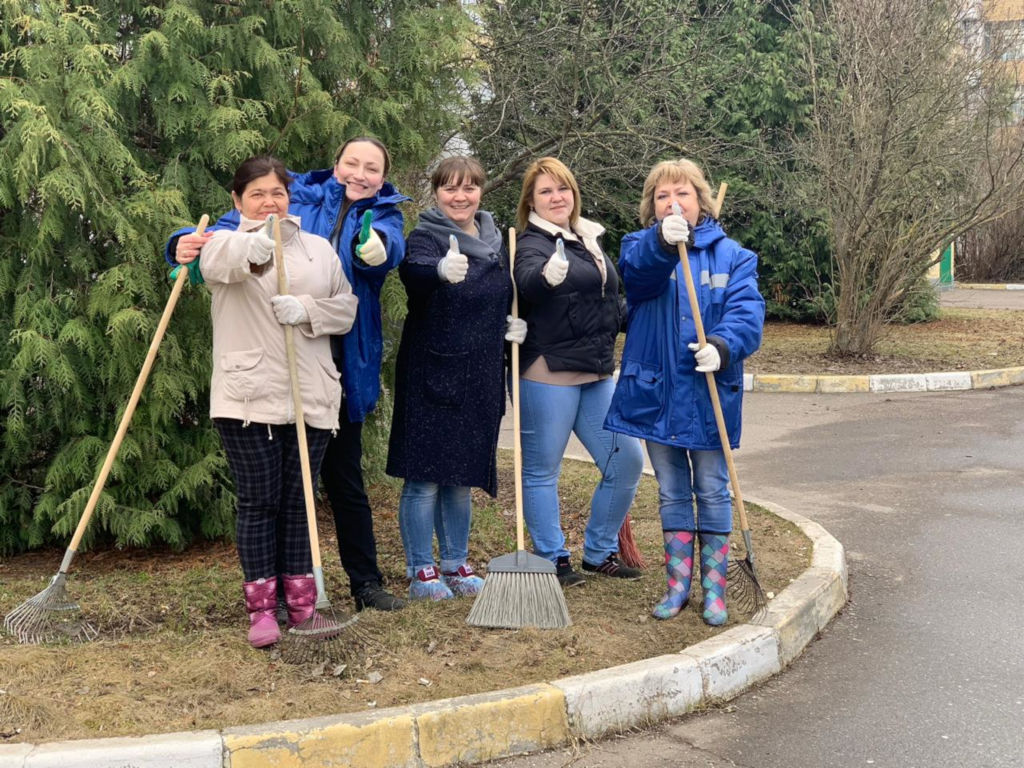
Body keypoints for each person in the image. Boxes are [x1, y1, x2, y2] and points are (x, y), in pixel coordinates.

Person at [168, 137, 409, 612]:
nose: (361, 174)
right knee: (276, 493)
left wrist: (378, 249)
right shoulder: (300, 193)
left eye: (373, 168)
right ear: (335, 164)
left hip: (341, 360)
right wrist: (180, 241)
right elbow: (229, 227)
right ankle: (277, 595)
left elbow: (387, 249)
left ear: (384, 176)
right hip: (271, 362)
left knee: (343, 481)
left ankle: (365, 583)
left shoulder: (384, 211)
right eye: (352, 163)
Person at [180, 155, 358, 648]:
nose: (269, 201)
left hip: (312, 394)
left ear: (291, 197)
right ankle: (262, 610)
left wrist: (308, 310)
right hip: (248, 399)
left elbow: (346, 308)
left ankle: (302, 604)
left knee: (300, 501)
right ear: (237, 201)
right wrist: (258, 243)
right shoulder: (220, 245)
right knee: (260, 501)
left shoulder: (319, 250)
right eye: (257, 194)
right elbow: (221, 264)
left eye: (277, 193)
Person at [604, 158, 765, 626]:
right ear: (651, 207)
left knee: (713, 490)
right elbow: (635, 277)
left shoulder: (735, 257)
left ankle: (714, 590)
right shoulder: (640, 247)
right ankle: (677, 587)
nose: (673, 203)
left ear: (702, 201)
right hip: (655, 395)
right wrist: (660, 242)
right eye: (662, 196)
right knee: (672, 491)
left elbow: (747, 314)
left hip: (708, 391)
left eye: (683, 195)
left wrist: (723, 344)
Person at [386, 156, 524, 600]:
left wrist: (512, 329)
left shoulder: (498, 242)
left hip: (480, 374)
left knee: (461, 475)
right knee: (425, 475)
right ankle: (420, 570)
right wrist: (439, 272)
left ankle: (456, 563)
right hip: (432, 372)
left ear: (481, 191)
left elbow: (506, 298)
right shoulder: (425, 238)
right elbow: (414, 275)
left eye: (468, 188)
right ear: (436, 193)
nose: (459, 197)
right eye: (450, 188)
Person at [512, 156, 644, 588]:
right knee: (541, 471)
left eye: (563, 188)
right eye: (546, 191)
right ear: (531, 200)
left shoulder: (587, 238)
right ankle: (552, 557)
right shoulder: (528, 242)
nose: (557, 197)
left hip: (596, 370)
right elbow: (527, 279)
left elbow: (608, 303)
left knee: (626, 461)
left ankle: (599, 550)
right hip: (547, 371)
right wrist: (546, 278)